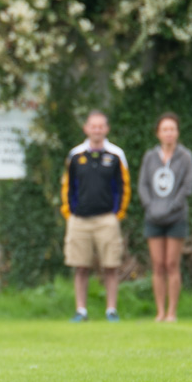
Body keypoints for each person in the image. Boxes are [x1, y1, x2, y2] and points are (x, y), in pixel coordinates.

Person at [60, 110, 131, 322]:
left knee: (111, 266)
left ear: (106, 129)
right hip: (79, 220)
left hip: (106, 219)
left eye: (101, 126)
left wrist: (118, 213)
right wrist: (69, 213)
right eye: (93, 126)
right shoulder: (75, 155)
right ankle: (81, 310)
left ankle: (111, 310)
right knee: (80, 267)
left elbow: (124, 187)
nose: (97, 130)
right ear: (86, 128)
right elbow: (67, 187)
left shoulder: (116, 155)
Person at [138, 113, 192, 322]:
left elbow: (186, 187)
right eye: (165, 129)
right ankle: (160, 311)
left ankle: (172, 312)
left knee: (172, 264)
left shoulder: (185, 157)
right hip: (153, 217)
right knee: (158, 264)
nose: (169, 133)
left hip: (176, 217)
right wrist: (150, 206)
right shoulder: (150, 157)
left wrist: (171, 207)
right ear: (158, 133)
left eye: (172, 129)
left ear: (177, 132)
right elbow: (143, 185)